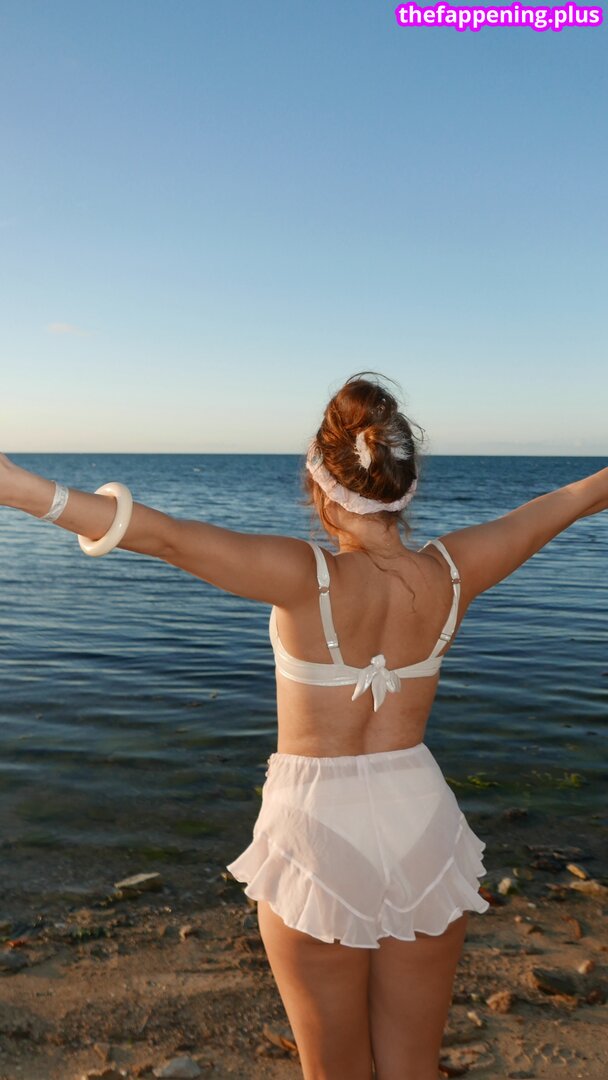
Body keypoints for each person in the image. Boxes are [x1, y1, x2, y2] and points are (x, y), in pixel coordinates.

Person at [1, 373, 606, 1080]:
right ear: (405, 486)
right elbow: (569, 501)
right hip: (423, 826)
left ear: (319, 484)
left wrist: (19, 488)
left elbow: (164, 538)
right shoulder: (453, 572)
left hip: (317, 831)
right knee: (413, 1068)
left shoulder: (304, 576)